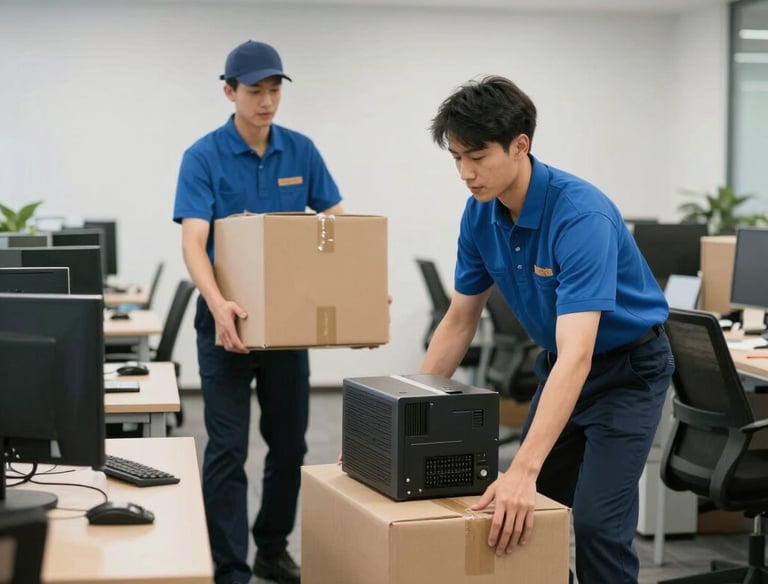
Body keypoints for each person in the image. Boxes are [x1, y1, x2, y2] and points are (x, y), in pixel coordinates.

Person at [420, 75, 674, 584]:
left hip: (628, 372)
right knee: (529, 511)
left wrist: (523, 469)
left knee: (599, 524)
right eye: (456, 159)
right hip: (560, 367)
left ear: (520, 146)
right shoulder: (479, 215)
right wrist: (406, 418)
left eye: (477, 156)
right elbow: (457, 321)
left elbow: (580, 353)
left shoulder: (580, 217)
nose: (466, 173)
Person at [173, 40, 343, 584]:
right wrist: (218, 302)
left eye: (274, 90)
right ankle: (229, 568)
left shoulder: (302, 151)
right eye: (255, 91)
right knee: (226, 446)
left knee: (290, 443)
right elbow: (195, 243)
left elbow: (337, 228)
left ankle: (271, 547)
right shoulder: (203, 156)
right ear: (229, 91)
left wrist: (356, 292)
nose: (267, 101)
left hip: (286, 327)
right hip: (225, 323)